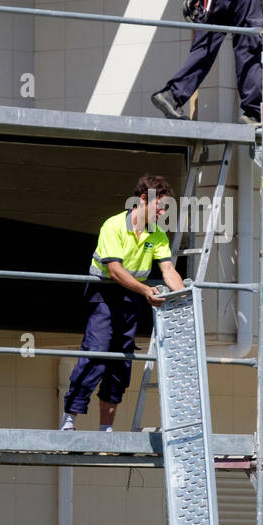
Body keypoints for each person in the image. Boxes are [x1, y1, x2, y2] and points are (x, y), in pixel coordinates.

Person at [60, 175, 184, 432]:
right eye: (159, 206)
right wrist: (145, 290)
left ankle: (106, 429)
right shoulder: (113, 225)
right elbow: (114, 271)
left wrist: (184, 296)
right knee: (96, 352)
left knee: (121, 360)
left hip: (131, 297)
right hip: (105, 292)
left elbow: (168, 269)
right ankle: (69, 421)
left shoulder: (157, 235)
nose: (163, 212)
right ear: (142, 200)